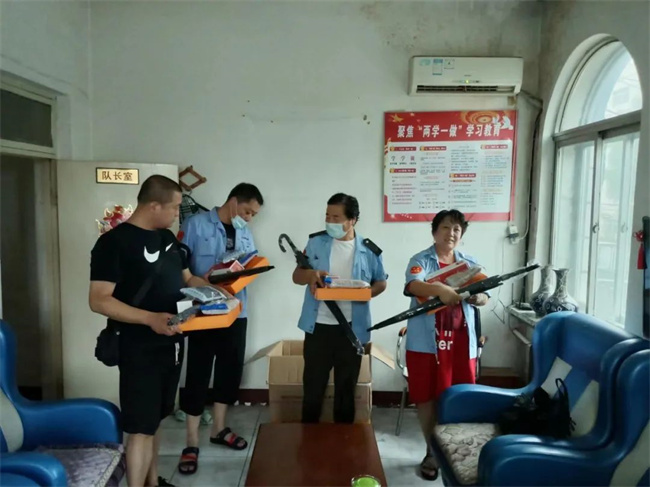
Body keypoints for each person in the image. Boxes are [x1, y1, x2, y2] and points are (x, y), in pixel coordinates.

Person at [89, 175, 210, 487]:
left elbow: (187, 279)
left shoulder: (167, 238)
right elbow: (99, 300)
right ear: (154, 205)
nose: (177, 214)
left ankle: (152, 482)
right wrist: (150, 319)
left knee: (155, 421)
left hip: (171, 345)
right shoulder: (113, 244)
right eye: (174, 208)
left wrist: (214, 291)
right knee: (140, 429)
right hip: (138, 348)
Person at [177, 183, 263, 475]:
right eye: (247, 211)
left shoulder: (245, 232)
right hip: (203, 312)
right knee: (198, 372)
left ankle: (219, 428)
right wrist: (202, 284)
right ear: (234, 201)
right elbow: (180, 265)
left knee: (230, 370)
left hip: (236, 311)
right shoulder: (196, 224)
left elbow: (249, 264)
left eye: (253, 215)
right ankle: (191, 442)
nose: (249, 218)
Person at [403, 209, 489, 481]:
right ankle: (432, 452)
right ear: (434, 231)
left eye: (456, 229)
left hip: (461, 342)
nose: (451, 233)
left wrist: (478, 299)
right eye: (445, 227)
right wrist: (440, 289)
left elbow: (485, 293)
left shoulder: (469, 263)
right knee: (426, 397)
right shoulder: (421, 260)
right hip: (426, 343)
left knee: (461, 396)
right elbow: (414, 285)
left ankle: (458, 451)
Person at [293, 193, 388, 424]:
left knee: (346, 390)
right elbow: (297, 276)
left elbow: (381, 282)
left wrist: (366, 293)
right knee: (313, 387)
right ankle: (309, 437)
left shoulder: (369, 250)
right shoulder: (316, 243)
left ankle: (343, 439)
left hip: (352, 330)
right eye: (327, 216)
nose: (330, 221)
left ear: (352, 220)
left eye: (336, 217)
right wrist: (311, 275)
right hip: (318, 327)